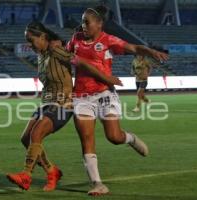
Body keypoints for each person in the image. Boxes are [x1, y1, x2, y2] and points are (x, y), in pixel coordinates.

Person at [6, 21, 123, 192]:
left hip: (64, 103)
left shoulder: (56, 50)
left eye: (31, 40)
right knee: (26, 138)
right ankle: (52, 171)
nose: (29, 45)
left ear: (43, 37)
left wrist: (107, 78)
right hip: (48, 103)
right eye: (27, 41)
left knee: (36, 133)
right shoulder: (42, 55)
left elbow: (81, 63)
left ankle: (26, 175)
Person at [66, 5, 169, 196]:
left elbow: (133, 47)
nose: (83, 25)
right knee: (87, 140)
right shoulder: (75, 39)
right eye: (82, 21)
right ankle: (97, 184)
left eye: (87, 22)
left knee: (114, 137)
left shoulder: (108, 40)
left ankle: (130, 138)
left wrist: (150, 51)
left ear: (99, 24)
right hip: (81, 97)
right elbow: (65, 58)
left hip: (104, 93)